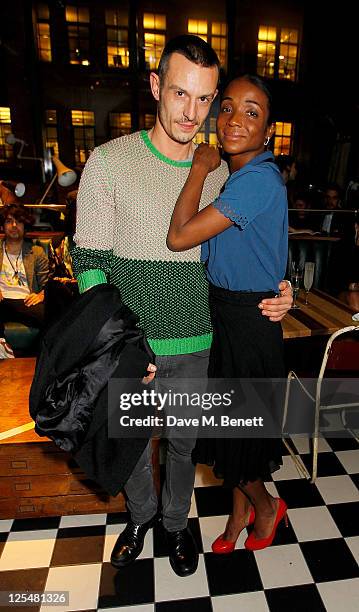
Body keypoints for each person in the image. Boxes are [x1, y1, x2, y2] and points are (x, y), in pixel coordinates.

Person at [71, 35, 292, 577]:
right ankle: (140, 518)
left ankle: (174, 525)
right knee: (129, 446)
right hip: (132, 345)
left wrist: (280, 289)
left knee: (184, 447)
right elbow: (89, 261)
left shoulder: (221, 170)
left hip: (200, 343)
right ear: (156, 87)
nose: (192, 112)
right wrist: (117, 343)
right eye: (179, 94)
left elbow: (249, 244)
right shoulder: (108, 163)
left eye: (203, 99)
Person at [167, 74, 288, 553]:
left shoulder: (256, 179)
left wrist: (198, 167)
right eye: (230, 108)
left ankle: (264, 507)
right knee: (228, 431)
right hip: (225, 314)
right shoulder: (242, 177)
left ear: (268, 131)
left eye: (252, 112)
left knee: (237, 439)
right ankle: (239, 511)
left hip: (247, 323)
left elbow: (179, 237)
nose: (236, 119)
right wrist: (287, 283)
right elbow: (267, 243)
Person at [0, 203, 49, 358]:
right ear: (2, 226)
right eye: (9, 221)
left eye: (19, 221)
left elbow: (46, 284)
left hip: (26, 301)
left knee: (52, 315)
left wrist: (41, 295)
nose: (14, 225)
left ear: (25, 225)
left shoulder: (36, 252)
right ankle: (2, 346)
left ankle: (41, 357)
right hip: (2, 301)